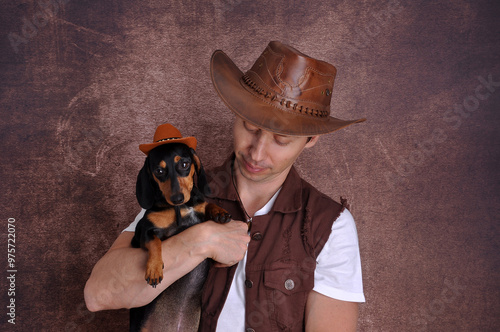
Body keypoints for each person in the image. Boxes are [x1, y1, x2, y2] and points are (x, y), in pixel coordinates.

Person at [84, 41, 366, 332]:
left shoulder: (330, 225)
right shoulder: (179, 192)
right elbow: (97, 294)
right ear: (235, 113)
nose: (256, 152)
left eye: (281, 140)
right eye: (249, 126)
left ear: (310, 139)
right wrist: (198, 242)